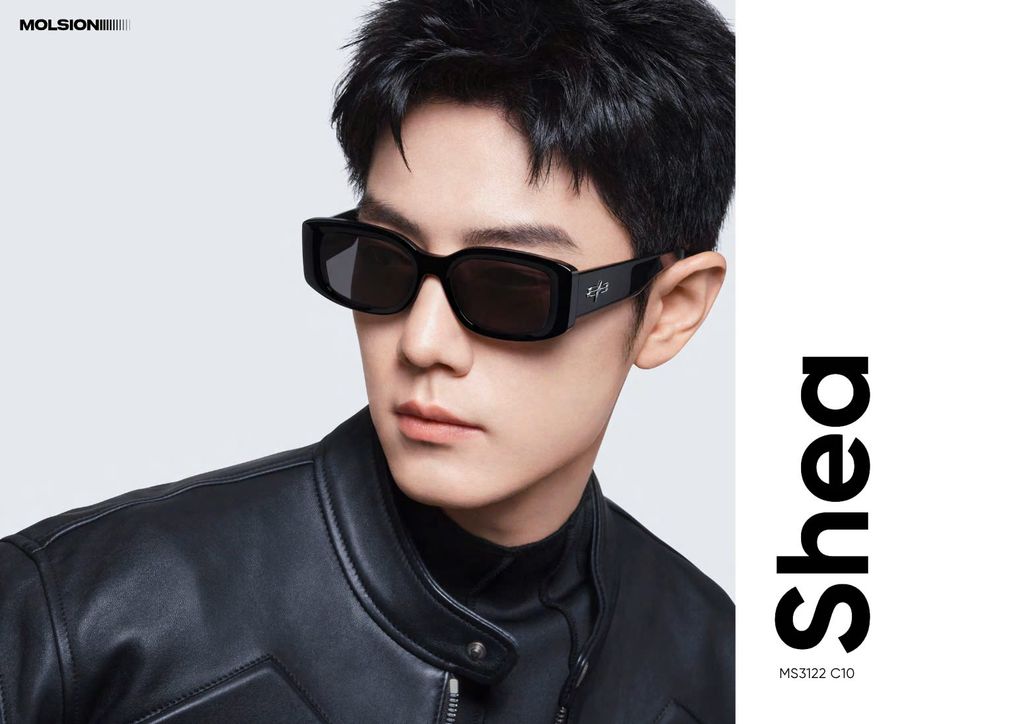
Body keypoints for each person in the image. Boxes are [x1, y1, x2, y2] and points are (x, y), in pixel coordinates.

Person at [0, 0, 735, 721]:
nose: (422, 342)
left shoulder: (724, 670)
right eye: (384, 261)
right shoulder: (68, 620)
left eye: (510, 286)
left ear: (670, 309)